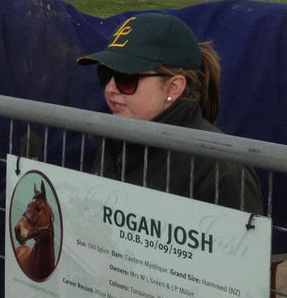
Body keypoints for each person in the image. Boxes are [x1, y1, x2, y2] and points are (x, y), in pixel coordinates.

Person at [77, 12, 262, 213]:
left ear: (174, 87)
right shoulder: (115, 140)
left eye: (126, 77)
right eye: (105, 74)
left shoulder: (223, 172)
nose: (110, 88)